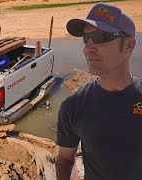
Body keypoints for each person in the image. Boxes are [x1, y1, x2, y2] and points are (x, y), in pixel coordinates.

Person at [55, 2, 142, 180]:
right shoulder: (73, 106)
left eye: (101, 36)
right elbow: (64, 160)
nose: (88, 49)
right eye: (86, 39)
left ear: (129, 45)